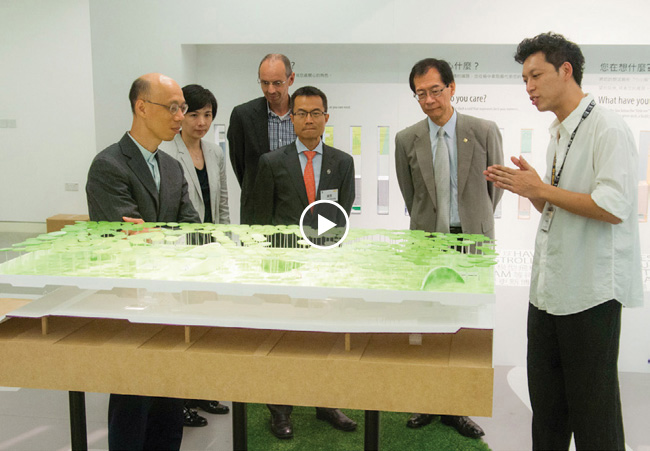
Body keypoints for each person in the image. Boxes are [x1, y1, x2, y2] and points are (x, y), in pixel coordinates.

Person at [485, 32, 643, 450]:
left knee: (595, 417)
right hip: (549, 294)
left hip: (589, 296)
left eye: (535, 75)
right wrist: (534, 192)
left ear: (566, 70)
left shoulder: (608, 127)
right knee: (549, 413)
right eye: (524, 79)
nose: (529, 87)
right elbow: (558, 209)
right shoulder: (558, 132)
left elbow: (614, 207)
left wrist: (542, 189)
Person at [86, 73, 200, 450]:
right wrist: (164, 234)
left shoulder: (171, 166)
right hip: (130, 306)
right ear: (141, 107)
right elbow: (127, 243)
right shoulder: (108, 166)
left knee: (169, 405)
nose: (180, 116)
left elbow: (193, 229)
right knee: (132, 405)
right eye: (173, 107)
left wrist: (153, 232)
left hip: (171, 302)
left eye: (182, 107)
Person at [395, 58, 504, 439]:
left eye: (435, 90)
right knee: (428, 327)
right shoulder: (407, 139)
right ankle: (426, 402)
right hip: (429, 245)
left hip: (471, 244)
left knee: (466, 328)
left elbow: (495, 191)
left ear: (452, 87)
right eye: (420, 94)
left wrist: (472, 224)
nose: (428, 100)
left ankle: (457, 408)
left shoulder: (483, 130)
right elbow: (411, 195)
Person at [252, 86, 357, 439]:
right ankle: (280, 410)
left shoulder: (342, 162)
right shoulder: (270, 162)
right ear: (291, 118)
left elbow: (341, 218)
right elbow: (260, 221)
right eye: (301, 113)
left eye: (316, 113)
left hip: (325, 266)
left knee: (324, 338)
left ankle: (326, 403)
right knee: (284, 339)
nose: (309, 120)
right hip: (284, 267)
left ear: (327, 117)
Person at [159, 83, 230, 427]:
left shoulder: (216, 152)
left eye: (208, 115)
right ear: (180, 114)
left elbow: (224, 202)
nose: (201, 122)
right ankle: (179, 400)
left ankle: (201, 390)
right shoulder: (166, 152)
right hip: (181, 251)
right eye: (194, 114)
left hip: (211, 249)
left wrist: (227, 241)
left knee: (206, 323)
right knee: (181, 325)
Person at [228, 53, 296, 224]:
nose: (270, 90)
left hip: (297, 208)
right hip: (256, 212)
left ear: (291, 79)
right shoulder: (243, 116)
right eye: (265, 83)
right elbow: (240, 166)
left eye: (277, 83)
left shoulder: (304, 114)